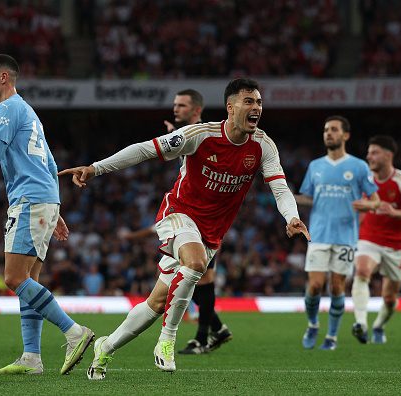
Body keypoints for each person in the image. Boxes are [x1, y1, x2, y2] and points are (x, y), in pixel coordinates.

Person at [59, 78, 309, 378]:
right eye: (249, 101)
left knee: (157, 301)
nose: (256, 107)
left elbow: (280, 188)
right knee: (195, 263)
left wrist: (291, 217)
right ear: (230, 108)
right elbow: (144, 150)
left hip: (212, 232)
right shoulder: (199, 135)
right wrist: (96, 168)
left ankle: (106, 347)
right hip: (178, 214)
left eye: (259, 102)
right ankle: (167, 340)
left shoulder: (263, 146)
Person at [0, 54, 94, 375]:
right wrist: (56, 209)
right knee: (29, 279)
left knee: (13, 277)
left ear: (4, 77)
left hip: (29, 199)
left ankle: (73, 331)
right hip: (43, 199)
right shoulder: (28, 110)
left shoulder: (7, 109)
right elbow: (50, 164)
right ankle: (32, 358)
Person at [126, 88, 233, 355]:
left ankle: (205, 336)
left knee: (200, 279)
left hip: (204, 219)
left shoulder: (202, 135)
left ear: (197, 110)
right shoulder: (189, 134)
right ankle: (215, 331)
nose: (176, 108)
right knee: (195, 277)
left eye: (182, 105)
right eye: (175, 104)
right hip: (193, 217)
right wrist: (175, 131)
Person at [296, 115, 380, 351]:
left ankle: (331, 337)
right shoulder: (315, 166)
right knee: (314, 286)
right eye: (325, 130)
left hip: (345, 237)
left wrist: (368, 205)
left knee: (336, 287)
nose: (328, 134)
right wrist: (287, 198)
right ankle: (313, 324)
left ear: (345, 135)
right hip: (319, 235)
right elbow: (309, 198)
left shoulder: (358, 167)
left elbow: (376, 200)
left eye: (333, 130)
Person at [351, 135, 401, 344]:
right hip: (369, 238)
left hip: (395, 244)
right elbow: (356, 204)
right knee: (362, 271)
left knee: (390, 299)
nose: (369, 156)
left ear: (388, 155)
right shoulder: (365, 180)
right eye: (368, 152)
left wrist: (393, 212)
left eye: (374, 152)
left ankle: (378, 326)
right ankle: (361, 323)